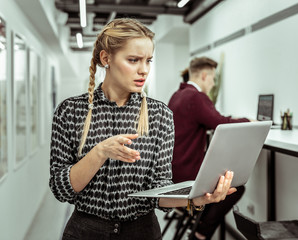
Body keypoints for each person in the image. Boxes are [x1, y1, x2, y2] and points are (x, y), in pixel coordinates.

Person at [49, 18, 237, 240]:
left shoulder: (160, 115)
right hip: (86, 231)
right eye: (133, 60)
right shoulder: (70, 111)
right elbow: (61, 189)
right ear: (106, 58)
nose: (144, 70)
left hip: (143, 231)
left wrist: (195, 199)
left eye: (148, 60)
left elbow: (160, 190)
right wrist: (100, 152)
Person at [168, 57, 251, 240]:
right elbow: (220, 123)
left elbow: (209, 120)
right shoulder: (196, 97)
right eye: (213, 78)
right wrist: (249, 121)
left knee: (224, 176)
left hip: (174, 170)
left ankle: (197, 219)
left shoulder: (178, 95)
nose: (214, 84)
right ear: (204, 75)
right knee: (236, 186)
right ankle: (201, 233)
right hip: (187, 173)